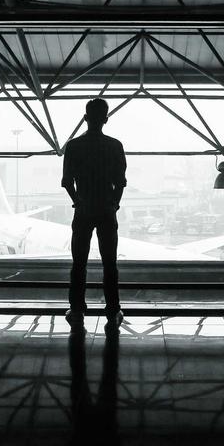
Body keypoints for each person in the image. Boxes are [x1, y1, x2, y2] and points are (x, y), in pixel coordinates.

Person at [61, 98, 126, 328]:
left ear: (85, 118)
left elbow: (67, 182)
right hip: (107, 210)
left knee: (79, 263)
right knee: (110, 263)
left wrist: (78, 201)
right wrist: (114, 204)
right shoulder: (115, 146)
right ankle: (113, 310)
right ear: (106, 119)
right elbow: (120, 182)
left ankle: (77, 310)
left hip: (84, 209)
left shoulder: (74, 146)